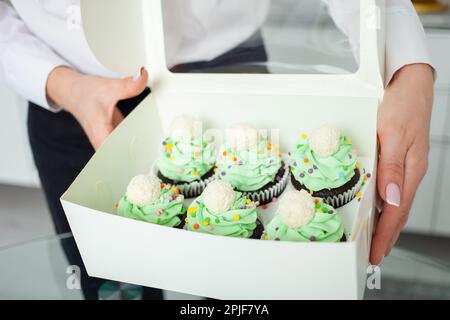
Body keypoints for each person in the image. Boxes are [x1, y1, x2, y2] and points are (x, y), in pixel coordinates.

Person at [0, 0, 434, 299]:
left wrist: (406, 60)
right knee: (111, 288)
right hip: (62, 90)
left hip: (228, 69)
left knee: (244, 294)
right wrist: (61, 83)